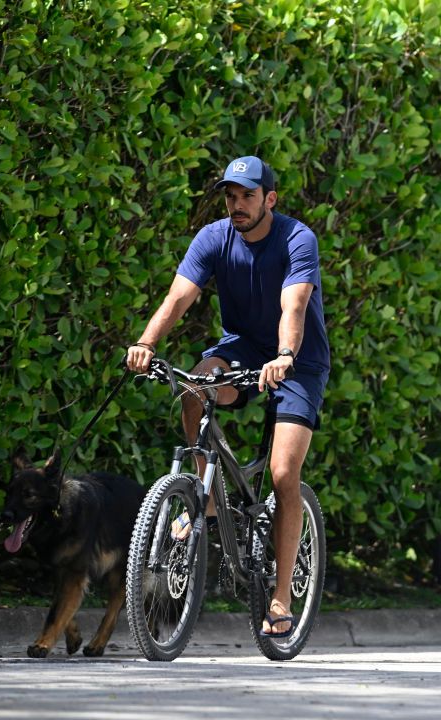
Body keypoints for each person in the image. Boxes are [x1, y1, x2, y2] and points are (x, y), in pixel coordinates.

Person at [126, 155, 330, 637]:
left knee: (283, 473)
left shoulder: (297, 238)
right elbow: (178, 297)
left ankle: (280, 599)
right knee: (194, 389)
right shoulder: (214, 238)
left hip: (297, 362)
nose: (237, 205)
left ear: (269, 199)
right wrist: (146, 343)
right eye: (230, 197)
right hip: (241, 349)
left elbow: (294, 304)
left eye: (248, 196)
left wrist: (283, 354)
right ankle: (207, 500)